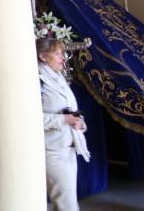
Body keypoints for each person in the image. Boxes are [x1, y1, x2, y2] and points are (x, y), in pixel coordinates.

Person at [37, 36, 90, 211]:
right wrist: (63, 120)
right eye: (58, 54)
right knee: (66, 203)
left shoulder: (58, 77)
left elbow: (70, 109)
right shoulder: (36, 79)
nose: (63, 57)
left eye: (62, 53)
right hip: (51, 150)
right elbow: (27, 118)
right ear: (43, 57)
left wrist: (79, 122)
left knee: (67, 200)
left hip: (69, 146)